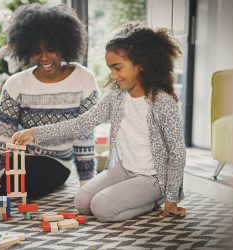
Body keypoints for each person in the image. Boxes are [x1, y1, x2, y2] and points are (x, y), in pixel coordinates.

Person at [12, 23, 186, 222]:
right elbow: (82, 122)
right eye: (110, 68)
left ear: (142, 64)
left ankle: (153, 201)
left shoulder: (162, 101)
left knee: (102, 208)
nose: (113, 75)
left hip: (153, 178)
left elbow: (177, 152)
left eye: (118, 68)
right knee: (82, 202)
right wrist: (35, 133)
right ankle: (134, 198)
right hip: (125, 169)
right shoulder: (117, 96)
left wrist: (172, 197)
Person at [0, 3, 98, 199]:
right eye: (37, 51)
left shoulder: (84, 79)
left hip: (56, 164)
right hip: (19, 158)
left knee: (14, 183)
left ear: (64, 47)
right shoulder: (15, 84)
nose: (44, 57)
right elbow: (2, 138)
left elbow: (84, 138)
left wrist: (87, 186)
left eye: (51, 49)